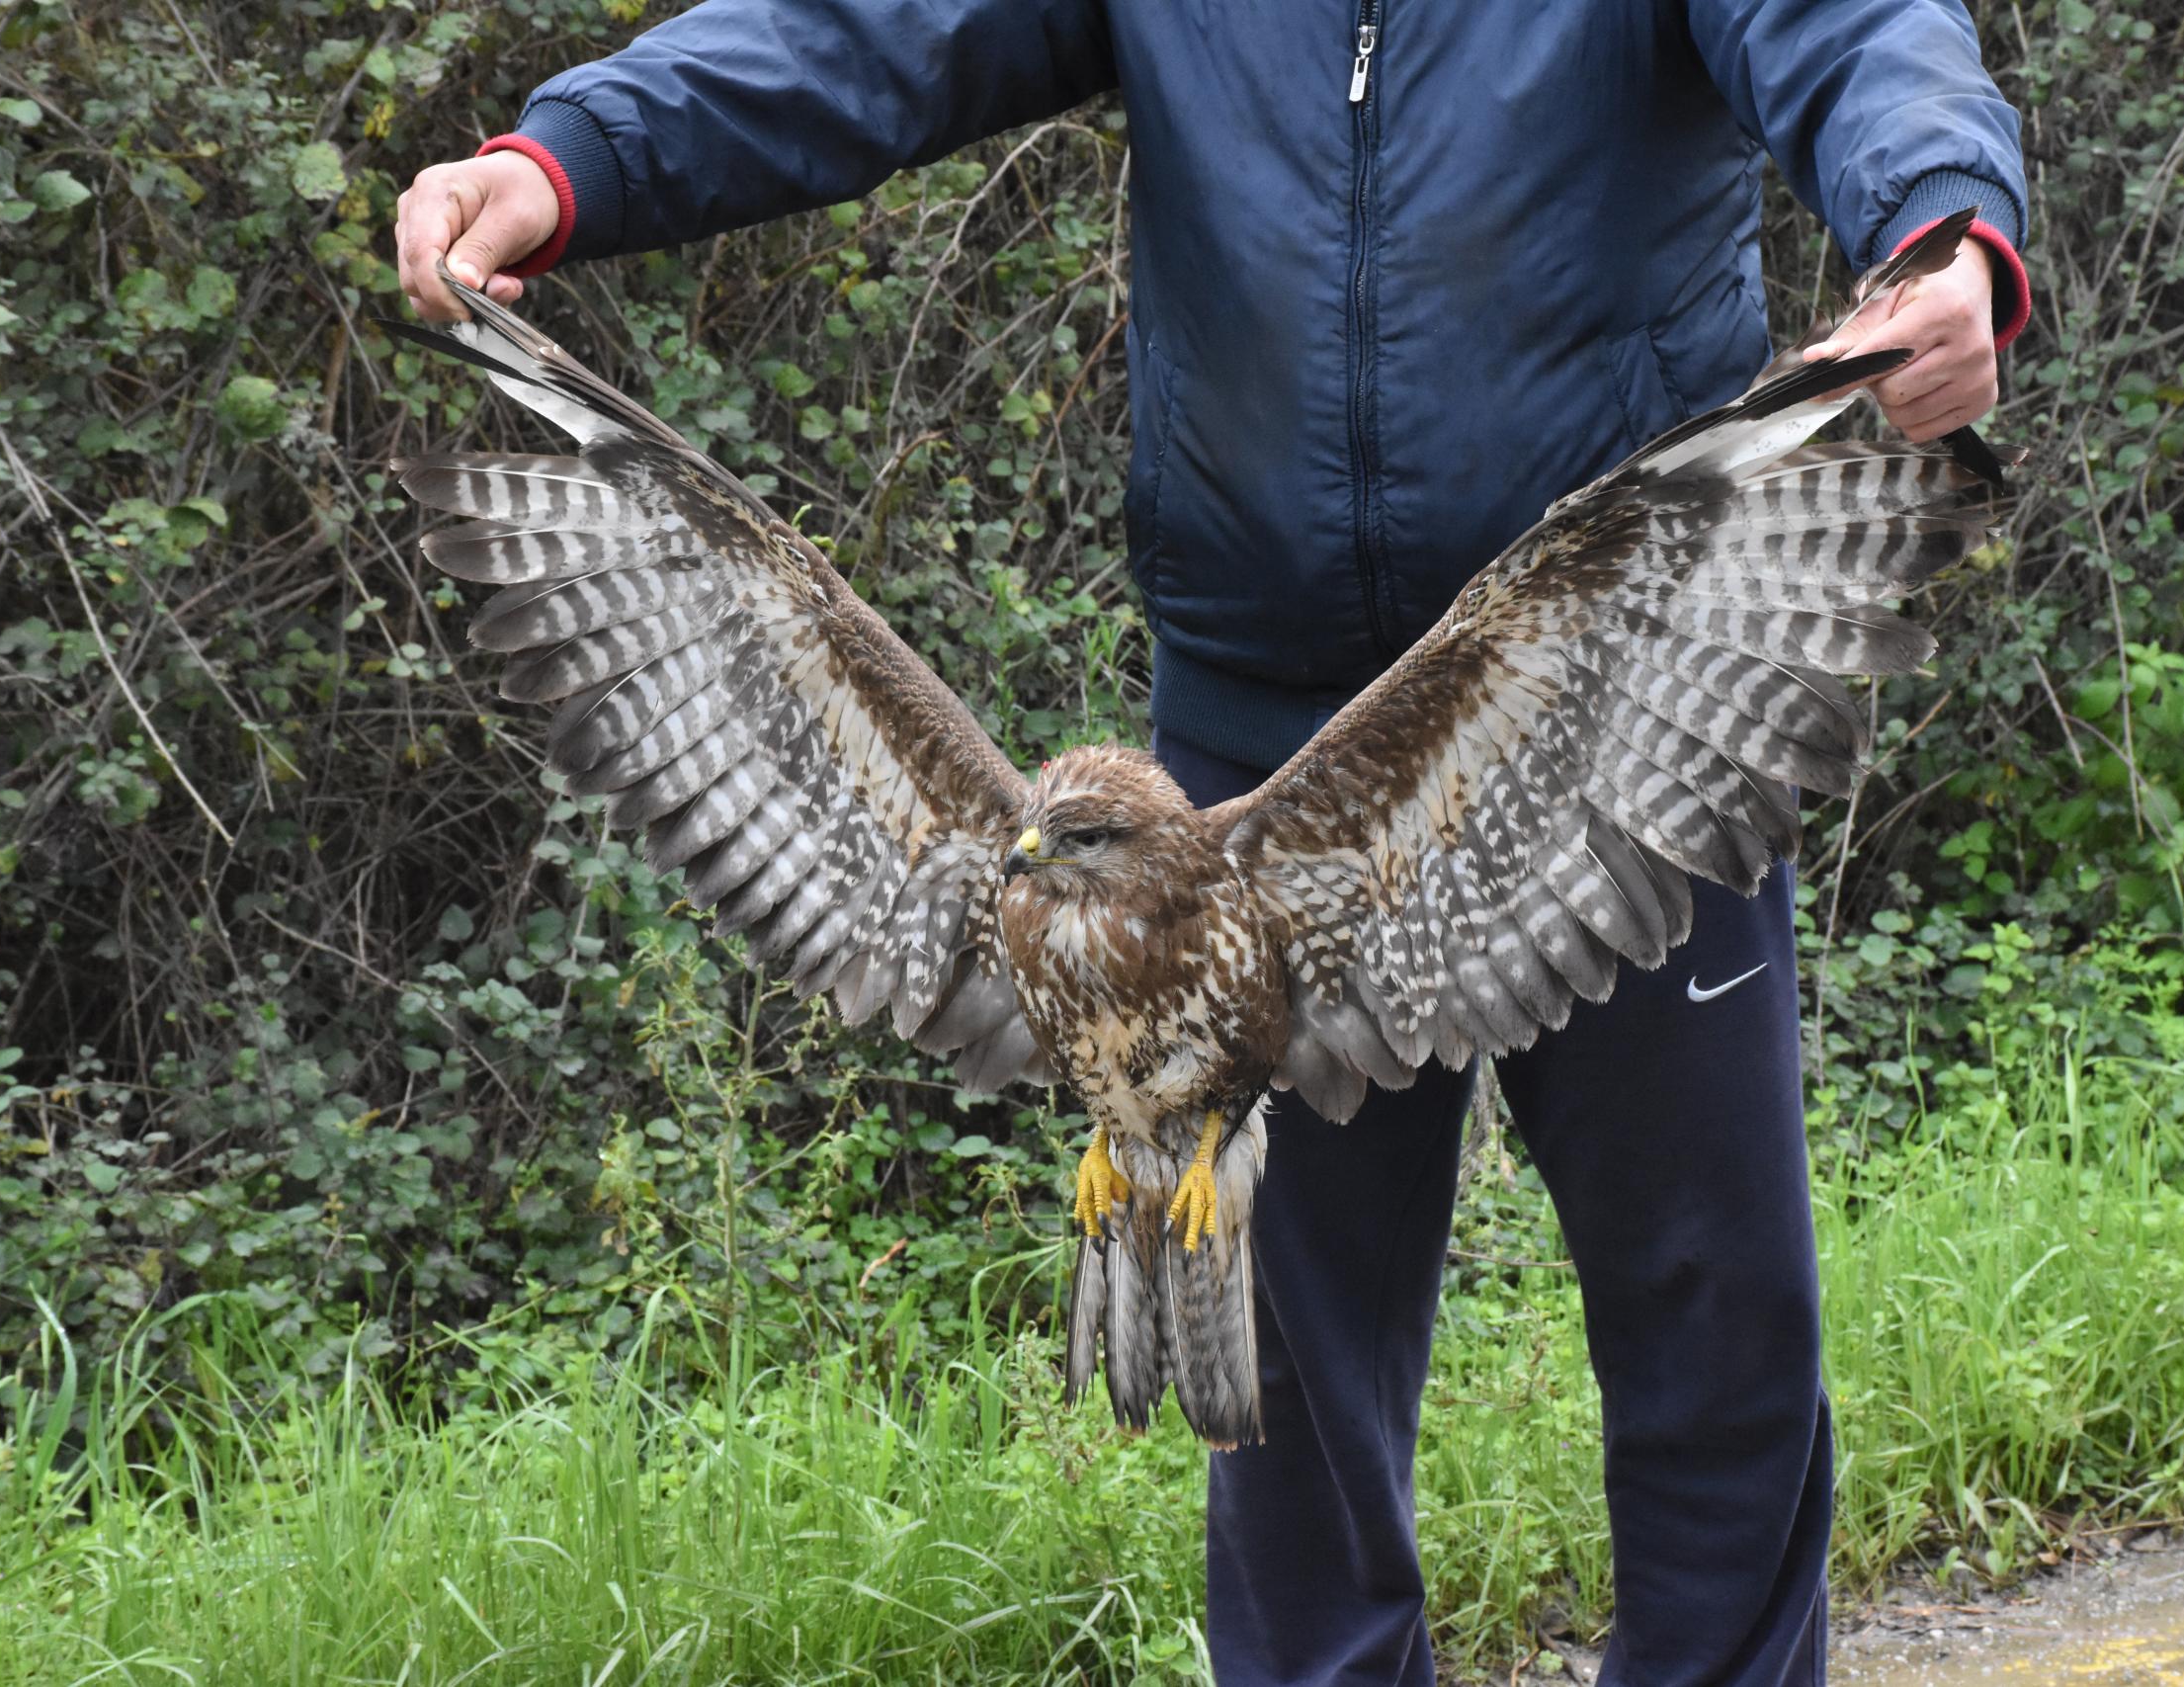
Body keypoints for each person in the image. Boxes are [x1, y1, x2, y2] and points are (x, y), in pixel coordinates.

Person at [394, 4, 2029, 1680]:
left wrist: (1947, 230)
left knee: (1713, 1318)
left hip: (1619, 676)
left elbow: (1861, 33)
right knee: (1290, 1400)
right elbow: (864, 34)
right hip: (1247, 723)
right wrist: (562, 159)